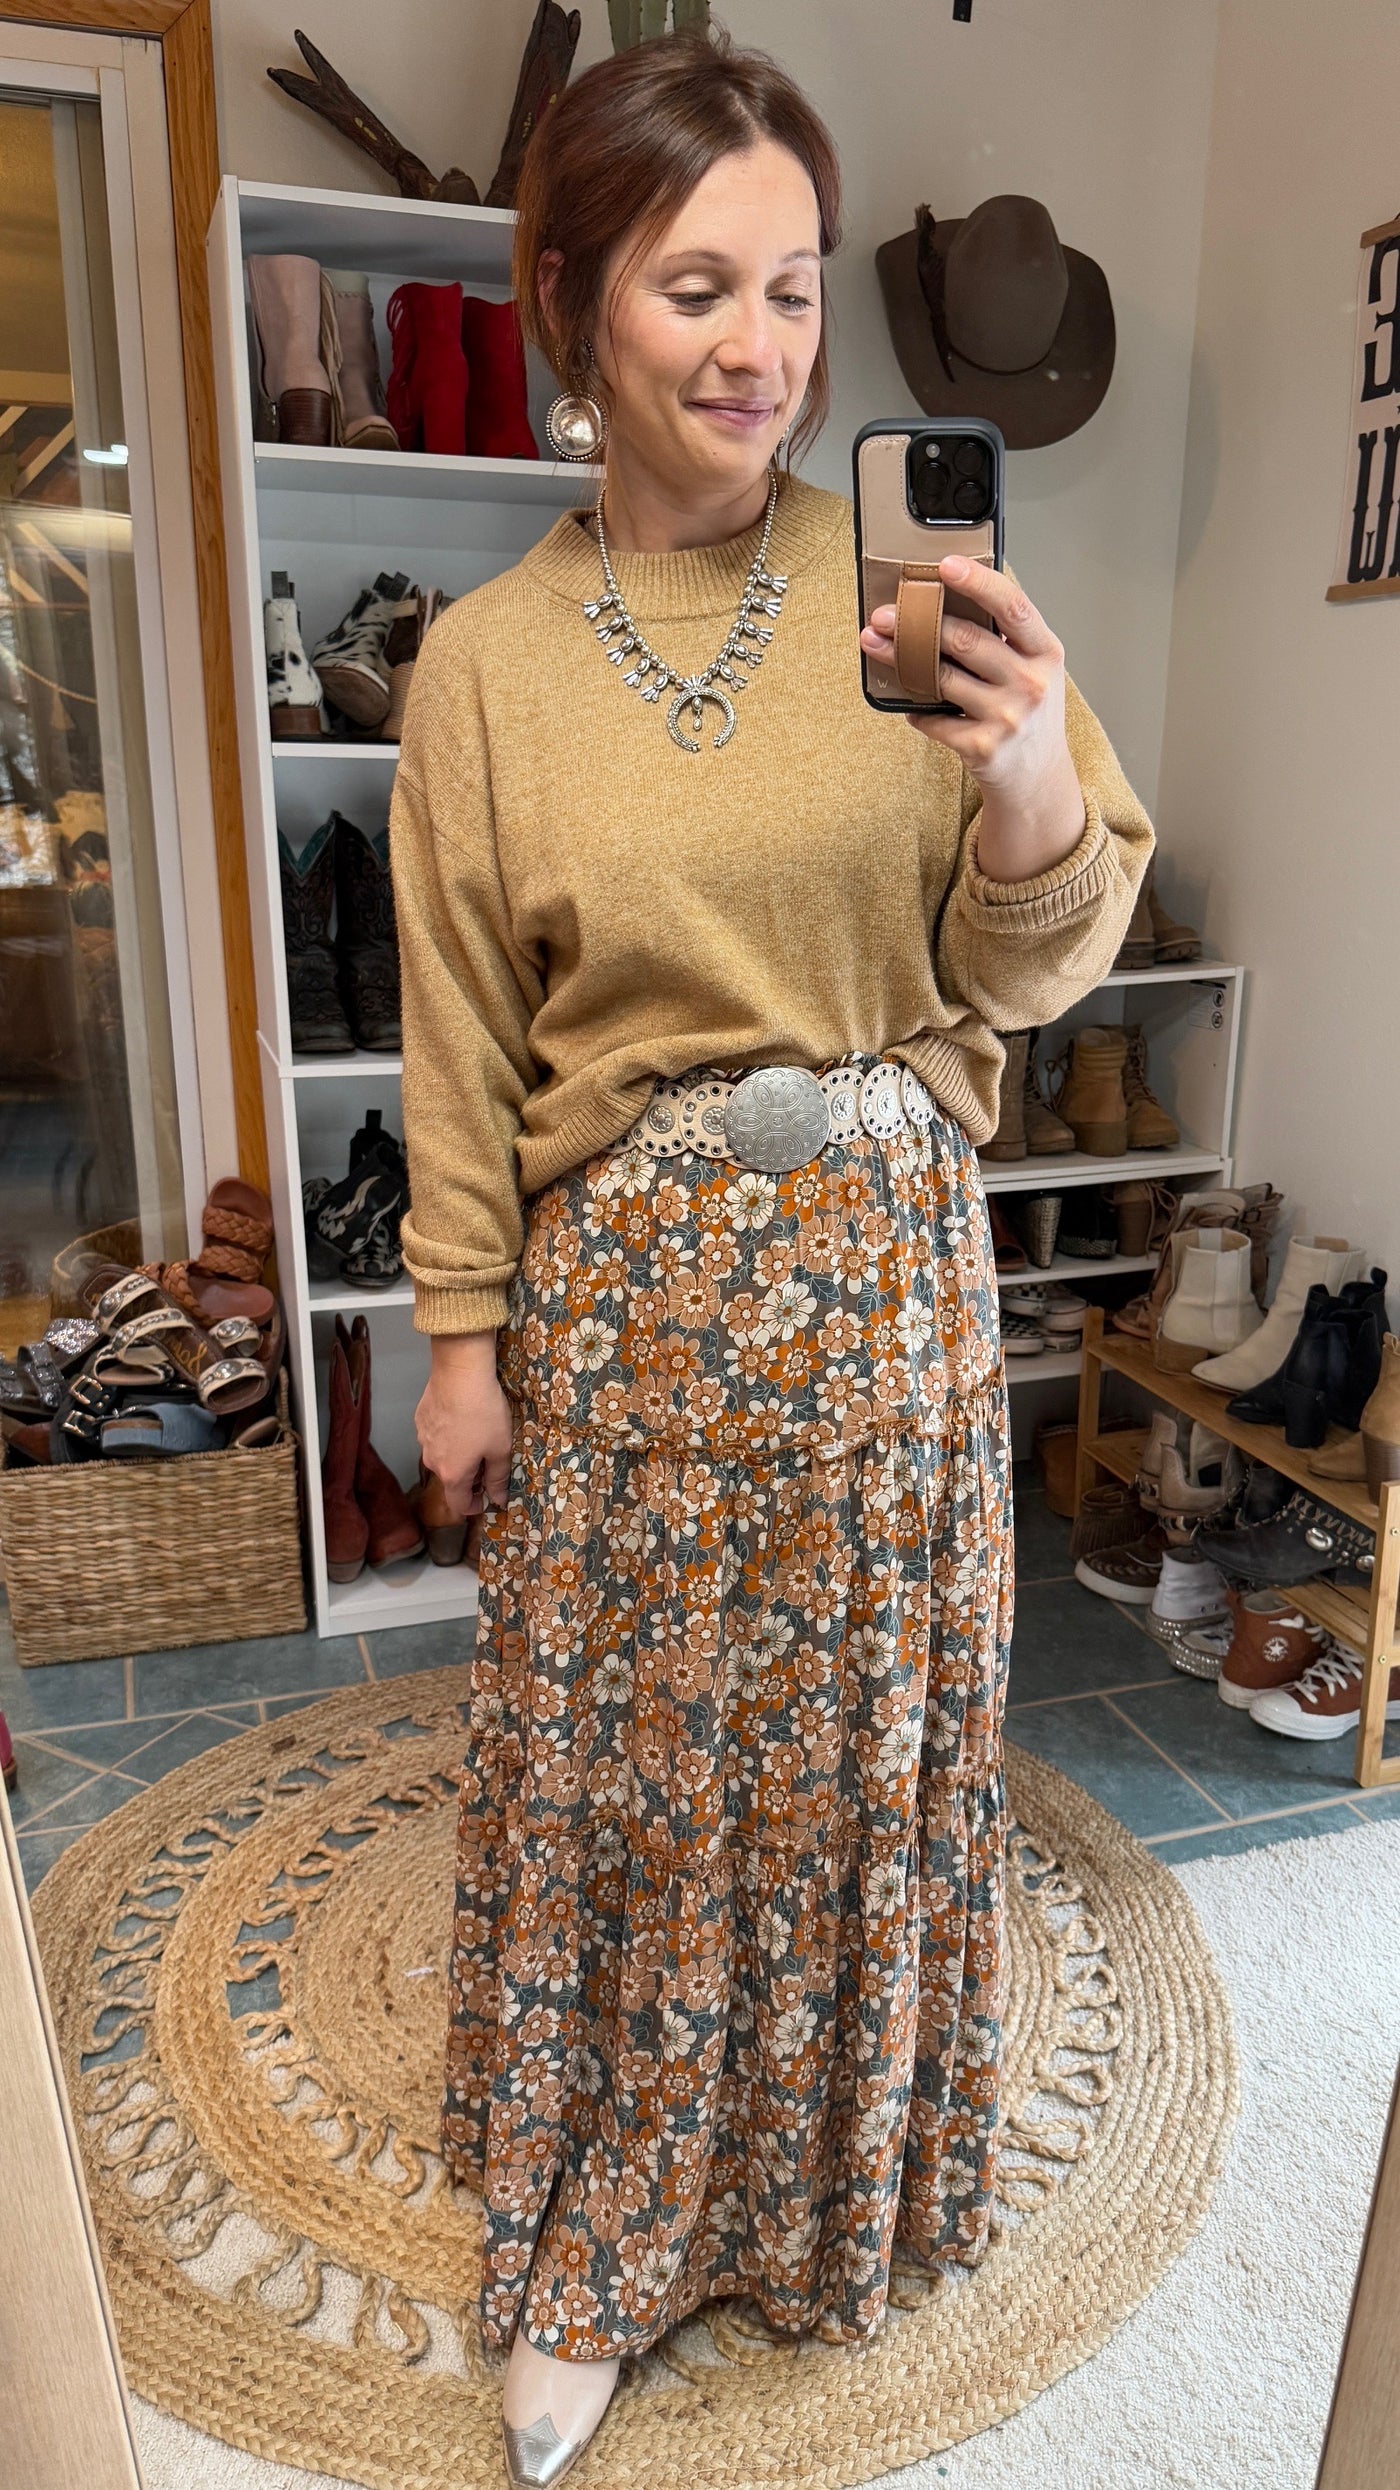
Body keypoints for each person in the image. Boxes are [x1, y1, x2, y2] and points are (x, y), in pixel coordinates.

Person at [389, 30, 1153, 2486]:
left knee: (856, 1779)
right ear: (571, 301)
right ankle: (603, 2247)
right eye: (694, 285)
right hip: (632, 1312)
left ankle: (836, 2196)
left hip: (894, 1300)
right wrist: (456, 1336)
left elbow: (1044, 952)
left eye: (797, 288)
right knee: (639, 1787)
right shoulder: (484, 670)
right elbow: (464, 1038)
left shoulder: (920, 592)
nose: (760, 347)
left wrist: (1024, 770)